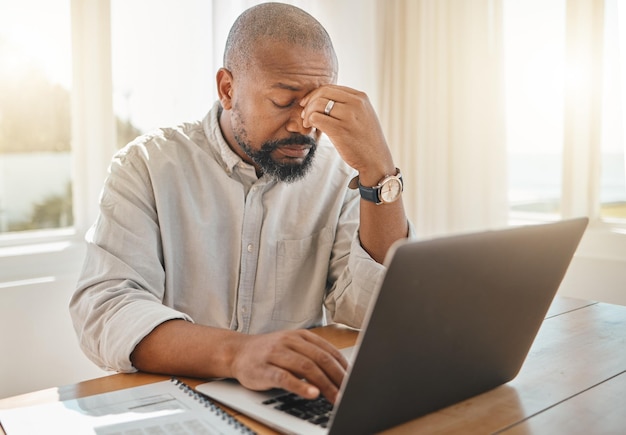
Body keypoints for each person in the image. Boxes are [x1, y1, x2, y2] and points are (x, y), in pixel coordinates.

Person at [70, 2, 410, 405]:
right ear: (228, 89)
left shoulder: (340, 179)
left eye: (317, 103)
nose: (304, 125)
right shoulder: (146, 165)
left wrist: (379, 173)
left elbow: (374, 309)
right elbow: (105, 312)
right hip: (175, 399)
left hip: (289, 400)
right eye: (284, 101)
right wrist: (237, 353)